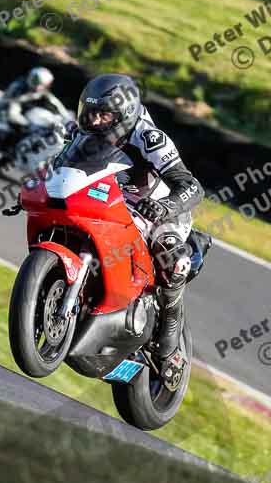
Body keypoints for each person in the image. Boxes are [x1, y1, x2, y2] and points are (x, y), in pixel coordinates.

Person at [74, 73, 206, 387]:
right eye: (89, 113)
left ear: (124, 114)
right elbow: (56, 165)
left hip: (160, 210)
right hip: (113, 203)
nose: (94, 121)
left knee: (172, 260)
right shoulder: (79, 133)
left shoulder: (149, 138)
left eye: (102, 115)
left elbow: (192, 187)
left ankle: (169, 345)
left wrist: (164, 207)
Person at [0, 67, 70, 132]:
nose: (45, 87)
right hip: (5, 115)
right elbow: (12, 112)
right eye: (35, 80)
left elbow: (54, 102)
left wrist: (67, 117)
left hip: (22, 115)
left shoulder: (40, 91)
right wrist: (28, 125)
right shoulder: (18, 88)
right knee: (4, 132)